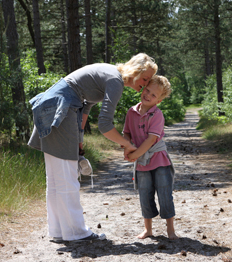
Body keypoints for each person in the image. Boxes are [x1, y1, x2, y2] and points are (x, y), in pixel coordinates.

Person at [28, 53, 157, 242]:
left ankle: (59, 231)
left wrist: (79, 138)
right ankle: (76, 233)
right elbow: (105, 125)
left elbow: (87, 105)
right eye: (145, 79)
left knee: (56, 179)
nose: (145, 85)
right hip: (62, 110)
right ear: (135, 71)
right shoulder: (115, 81)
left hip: (54, 105)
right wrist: (127, 143)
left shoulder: (111, 74)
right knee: (67, 177)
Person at [122, 75, 178, 240]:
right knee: (144, 193)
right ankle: (148, 229)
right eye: (147, 90)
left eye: (153, 95)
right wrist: (127, 148)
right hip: (141, 162)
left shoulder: (157, 115)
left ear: (158, 101)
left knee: (164, 193)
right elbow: (126, 133)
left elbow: (150, 140)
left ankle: (170, 229)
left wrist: (135, 155)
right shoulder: (131, 112)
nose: (148, 95)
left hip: (159, 160)